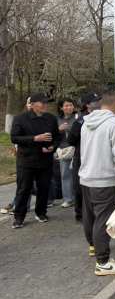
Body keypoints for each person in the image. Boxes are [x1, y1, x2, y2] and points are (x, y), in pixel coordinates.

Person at [80, 86, 115, 276]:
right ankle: (103, 261)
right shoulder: (114, 124)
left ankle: (94, 247)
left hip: (86, 177)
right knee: (103, 219)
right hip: (104, 179)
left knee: (90, 216)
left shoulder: (86, 122)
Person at [10, 93, 62, 229]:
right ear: (32, 105)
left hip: (45, 160)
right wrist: (35, 139)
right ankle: (19, 216)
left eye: (47, 103)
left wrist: (52, 147)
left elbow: (57, 137)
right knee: (23, 188)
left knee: (44, 187)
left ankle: (41, 212)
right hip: (26, 160)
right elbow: (15, 138)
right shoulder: (21, 118)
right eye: (43, 103)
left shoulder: (51, 118)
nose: (46, 105)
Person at [68, 93, 101, 224]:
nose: (98, 103)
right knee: (79, 186)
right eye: (95, 101)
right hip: (81, 157)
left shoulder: (102, 118)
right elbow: (71, 139)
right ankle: (80, 214)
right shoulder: (81, 121)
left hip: (96, 156)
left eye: (99, 100)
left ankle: (94, 212)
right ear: (88, 105)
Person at [57, 97, 78, 208]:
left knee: (78, 174)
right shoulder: (57, 119)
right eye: (66, 106)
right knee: (65, 175)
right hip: (64, 150)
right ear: (61, 108)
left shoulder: (78, 117)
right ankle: (68, 199)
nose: (69, 107)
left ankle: (79, 197)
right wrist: (59, 129)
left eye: (71, 105)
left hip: (77, 149)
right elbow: (52, 135)